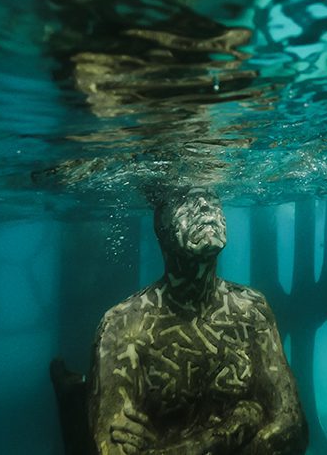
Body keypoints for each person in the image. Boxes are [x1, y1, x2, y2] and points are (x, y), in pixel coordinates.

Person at [88, 188, 308, 455]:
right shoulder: (122, 324)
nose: (205, 206)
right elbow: (110, 448)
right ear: (161, 228)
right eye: (184, 200)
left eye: (213, 199)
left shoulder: (252, 310)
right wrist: (240, 424)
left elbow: (292, 428)